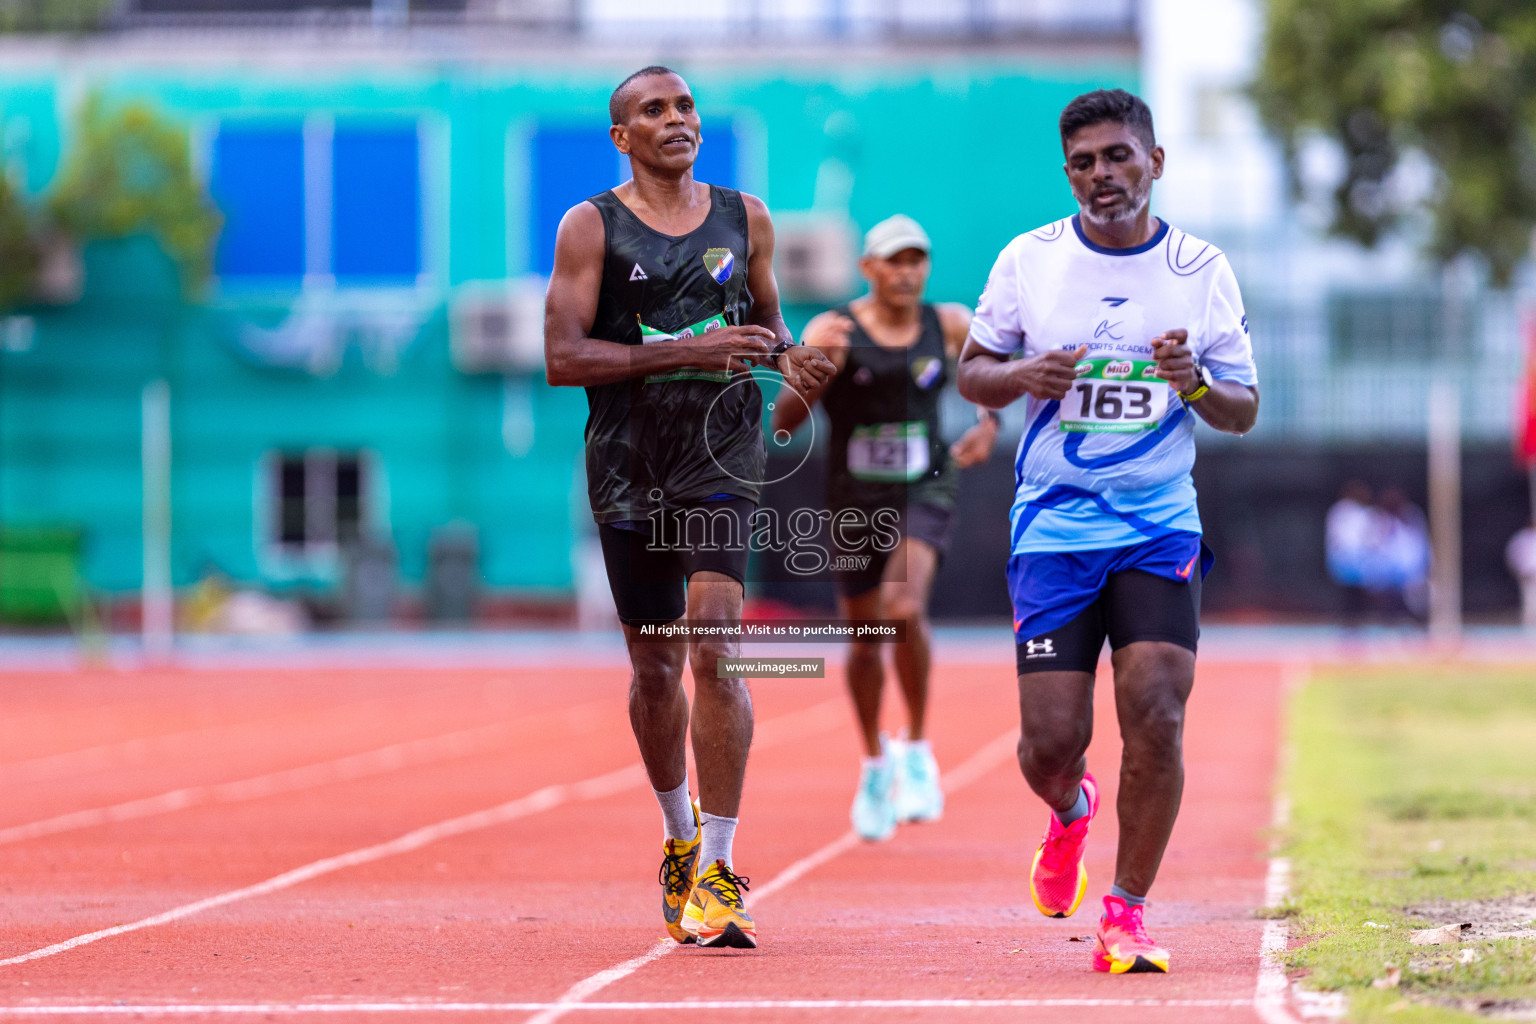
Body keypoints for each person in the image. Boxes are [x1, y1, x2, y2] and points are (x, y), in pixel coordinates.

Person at [955, 88, 1259, 974]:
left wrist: (1193, 383)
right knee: (1049, 744)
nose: (1103, 175)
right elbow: (973, 371)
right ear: (1068, 174)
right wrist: (1021, 374)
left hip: (1159, 526)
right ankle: (1070, 809)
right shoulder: (1030, 260)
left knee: (1158, 715)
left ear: (1154, 161)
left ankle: (1125, 912)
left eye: (1119, 156)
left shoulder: (1202, 269)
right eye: (1085, 162)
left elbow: (1242, 411)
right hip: (1053, 527)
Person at [543, 65, 835, 950]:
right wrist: (682, 354)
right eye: (652, 111)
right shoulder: (590, 225)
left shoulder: (746, 217)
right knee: (656, 669)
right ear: (621, 136)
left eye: (685, 106)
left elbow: (771, 324)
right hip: (630, 460)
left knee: (715, 644)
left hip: (721, 452)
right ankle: (676, 834)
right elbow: (562, 357)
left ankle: (718, 864)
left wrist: (794, 361)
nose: (677, 119)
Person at [769, 214, 998, 841]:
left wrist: (985, 420)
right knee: (866, 638)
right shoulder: (833, 329)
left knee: (902, 608)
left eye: (916, 260)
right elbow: (784, 422)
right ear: (868, 268)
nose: (907, 272)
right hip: (854, 500)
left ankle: (919, 750)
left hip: (926, 487)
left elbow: (987, 373)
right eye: (893, 261)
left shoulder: (946, 322)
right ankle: (875, 761)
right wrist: (815, 375)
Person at [1325, 480, 1374, 625]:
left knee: (1357, 596)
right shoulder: (1341, 511)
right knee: (1348, 596)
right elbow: (1336, 538)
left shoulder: (1362, 512)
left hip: (1356, 560)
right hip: (1347, 559)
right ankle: (1349, 622)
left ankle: (1355, 621)